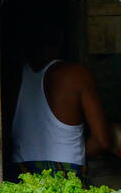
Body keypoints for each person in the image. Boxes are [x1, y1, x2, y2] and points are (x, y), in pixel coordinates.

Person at [10, 19, 111, 175]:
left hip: (21, 175)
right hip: (66, 173)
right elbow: (101, 141)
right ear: (61, 38)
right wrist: (71, 155)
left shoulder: (12, 77)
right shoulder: (76, 75)